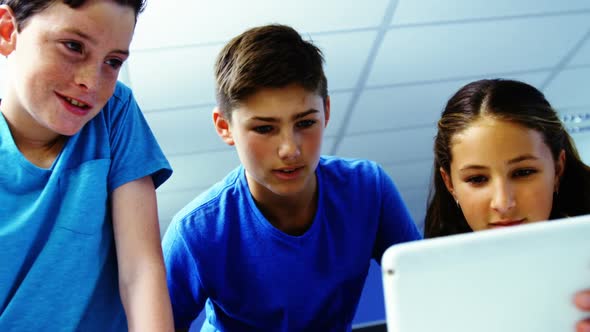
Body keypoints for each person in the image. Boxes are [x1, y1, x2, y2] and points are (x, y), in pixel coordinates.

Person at [162, 24, 421, 331]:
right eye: (264, 128)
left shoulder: (369, 190)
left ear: (326, 110)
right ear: (224, 126)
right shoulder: (195, 232)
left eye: (305, 122)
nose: (290, 149)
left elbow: (425, 289)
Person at [0, 1, 174, 331]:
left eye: (113, 62)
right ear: (9, 31)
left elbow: (139, 272)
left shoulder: (115, 114)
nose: (91, 82)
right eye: (73, 47)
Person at [423, 78, 590, 331]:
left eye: (523, 172)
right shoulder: (433, 294)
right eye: (477, 179)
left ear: (557, 169)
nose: (503, 202)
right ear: (450, 184)